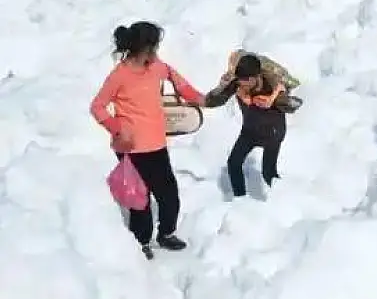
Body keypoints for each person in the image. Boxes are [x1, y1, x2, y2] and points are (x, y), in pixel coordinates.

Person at [89, 21, 205, 260]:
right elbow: (97, 107)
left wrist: (197, 97)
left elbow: (176, 79)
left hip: (157, 145)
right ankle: (141, 242)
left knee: (169, 195)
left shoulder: (156, 67)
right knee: (139, 199)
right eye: (154, 47)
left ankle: (166, 234)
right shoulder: (119, 75)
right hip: (131, 148)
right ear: (143, 48)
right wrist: (116, 129)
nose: (156, 52)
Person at [204, 52, 301, 199]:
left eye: (246, 80)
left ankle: (282, 202)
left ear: (256, 77)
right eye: (240, 80)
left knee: (268, 172)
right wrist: (220, 88)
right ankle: (241, 200)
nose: (243, 83)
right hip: (250, 131)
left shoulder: (272, 88)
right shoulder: (238, 84)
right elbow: (213, 102)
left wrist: (284, 101)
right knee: (233, 163)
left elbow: (293, 104)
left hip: (272, 133)